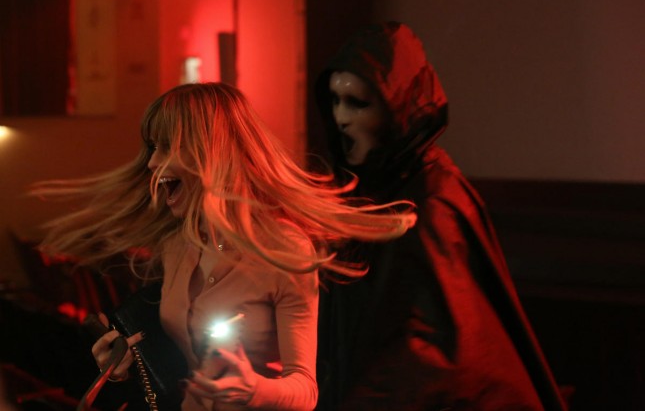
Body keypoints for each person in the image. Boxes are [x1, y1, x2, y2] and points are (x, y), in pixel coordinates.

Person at [32, 82, 416, 410]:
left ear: (211, 153)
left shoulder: (284, 247)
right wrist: (122, 367)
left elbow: (305, 390)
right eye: (152, 148)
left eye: (165, 147)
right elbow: (181, 365)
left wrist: (253, 389)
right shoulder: (178, 241)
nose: (152, 163)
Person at [313, 21, 566, 410]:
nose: (341, 117)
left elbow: (431, 348)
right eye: (335, 101)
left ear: (398, 108)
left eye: (358, 103)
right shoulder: (371, 190)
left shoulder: (433, 198)